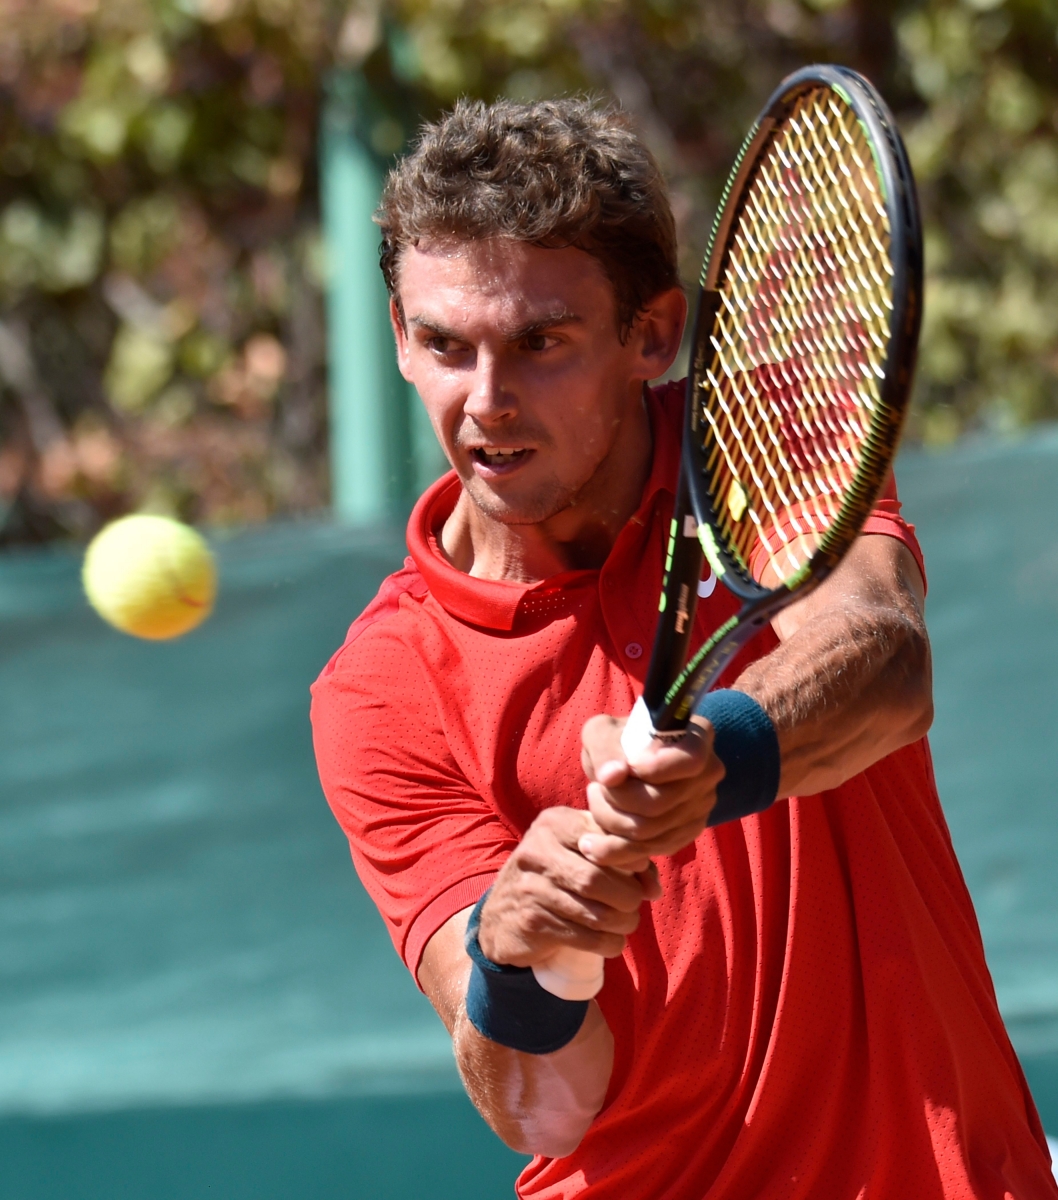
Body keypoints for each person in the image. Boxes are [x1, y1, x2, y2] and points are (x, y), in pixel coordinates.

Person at [311, 98, 1056, 1198]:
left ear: (651, 335)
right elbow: (544, 1108)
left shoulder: (766, 448)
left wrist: (722, 753)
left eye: (540, 342)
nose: (485, 401)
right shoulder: (378, 692)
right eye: (443, 345)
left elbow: (882, 660)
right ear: (399, 341)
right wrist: (518, 958)